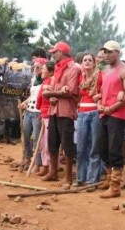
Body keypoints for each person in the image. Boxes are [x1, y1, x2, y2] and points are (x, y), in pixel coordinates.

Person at [97, 40, 125, 198]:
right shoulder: (105, 71)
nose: (106, 55)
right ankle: (108, 178)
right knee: (102, 146)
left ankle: (115, 185)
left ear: (118, 53)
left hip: (117, 115)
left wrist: (112, 107)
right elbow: (101, 91)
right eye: (104, 52)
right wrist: (99, 102)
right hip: (104, 113)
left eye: (109, 51)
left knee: (114, 148)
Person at [41, 41, 81, 184]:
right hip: (54, 110)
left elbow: (70, 91)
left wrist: (51, 93)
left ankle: (68, 176)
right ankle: (53, 172)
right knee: (52, 142)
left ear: (61, 52)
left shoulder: (74, 68)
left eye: (54, 52)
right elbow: (50, 90)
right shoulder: (58, 68)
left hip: (66, 111)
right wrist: (54, 94)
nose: (52, 55)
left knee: (67, 143)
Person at [75, 52, 102, 186]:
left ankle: (92, 180)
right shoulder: (81, 77)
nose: (87, 62)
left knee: (93, 147)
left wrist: (100, 95)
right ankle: (80, 178)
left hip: (95, 112)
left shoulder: (100, 76)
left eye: (89, 60)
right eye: (85, 60)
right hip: (82, 113)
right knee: (80, 147)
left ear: (94, 63)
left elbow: (106, 91)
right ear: (82, 63)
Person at [19, 58, 46, 171]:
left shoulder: (46, 81)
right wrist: (25, 102)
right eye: (34, 67)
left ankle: (38, 163)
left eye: (38, 67)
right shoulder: (34, 79)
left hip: (37, 113)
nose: (35, 69)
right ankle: (28, 158)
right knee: (26, 136)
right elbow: (32, 95)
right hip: (29, 111)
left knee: (36, 138)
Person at [36, 61, 55, 176]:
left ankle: (49, 166)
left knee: (48, 143)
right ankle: (45, 165)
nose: (42, 70)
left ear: (51, 72)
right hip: (43, 114)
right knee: (43, 143)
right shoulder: (45, 82)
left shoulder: (51, 82)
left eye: (44, 69)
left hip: (48, 115)